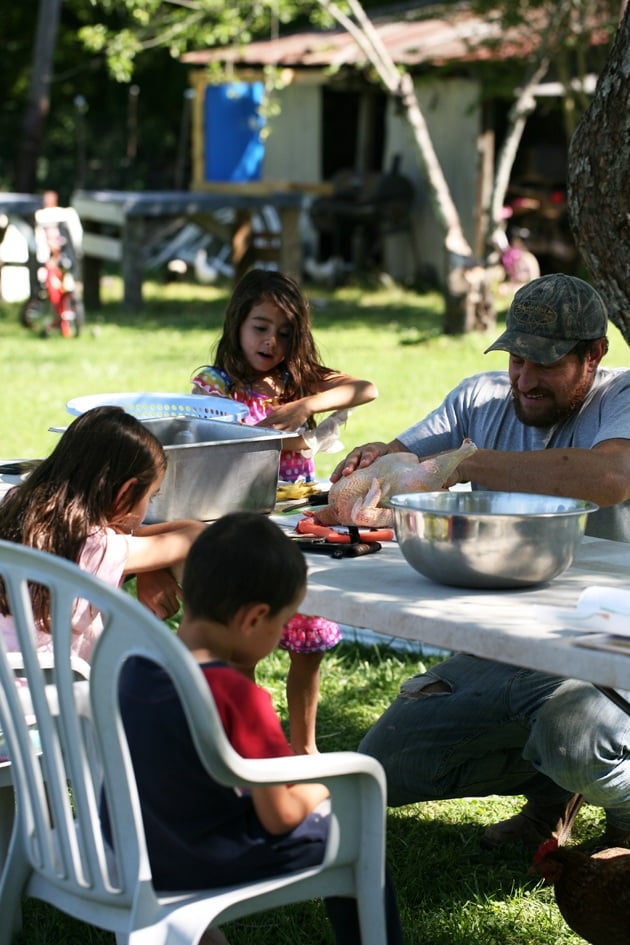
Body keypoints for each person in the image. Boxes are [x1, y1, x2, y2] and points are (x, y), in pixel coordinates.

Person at [331, 273, 630, 851]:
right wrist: (373, 465)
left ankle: (619, 812)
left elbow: (610, 479)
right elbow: (404, 460)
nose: (525, 378)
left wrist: (469, 462)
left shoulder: (622, 399)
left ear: (594, 354)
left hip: (612, 647)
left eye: (546, 363)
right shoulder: (482, 398)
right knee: (388, 762)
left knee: (577, 740)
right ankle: (555, 792)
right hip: (514, 647)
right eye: (517, 357)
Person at [107, 512, 405, 945]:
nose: (281, 634)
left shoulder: (134, 664)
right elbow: (281, 815)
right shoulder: (237, 696)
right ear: (253, 618)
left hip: (128, 850)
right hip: (194, 859)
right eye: (281, 624)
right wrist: (324, 787)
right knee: (354, 826)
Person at [191, 269, 378, 754]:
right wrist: (290, 428)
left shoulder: (296, 377)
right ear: (236, 323)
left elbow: (366, 388)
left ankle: (304, 747)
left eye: (286, 332)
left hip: (299, 525)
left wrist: (306, 405)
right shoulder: (215, 384)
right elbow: (211, 433)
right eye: (260, 327)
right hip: (244, 526)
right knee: (243, 640)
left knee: (307, 637)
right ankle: (247, 744)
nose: (271, 341)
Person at [0, 405, 205, 664]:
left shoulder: (15, 505)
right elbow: (195, 534)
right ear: (125, 493)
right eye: (150, 497)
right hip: (56, 695)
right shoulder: (98, 547)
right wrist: (143, 559)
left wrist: (145, 566)